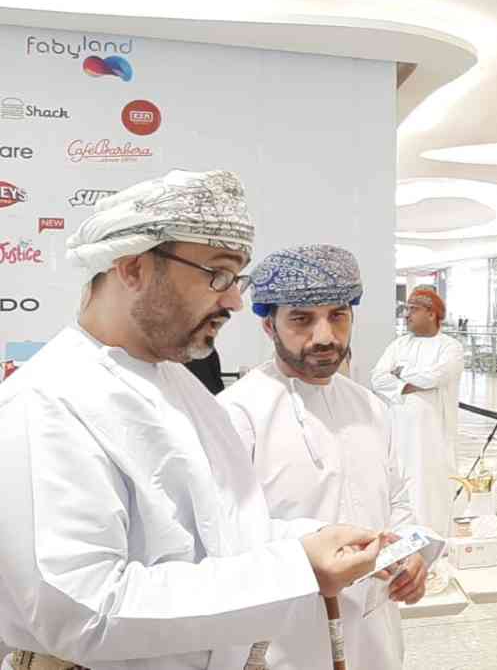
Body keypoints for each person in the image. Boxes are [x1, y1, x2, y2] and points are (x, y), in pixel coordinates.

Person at [0, 170, 384, 670]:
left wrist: (309, 541)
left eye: (236, 279)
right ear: (133, 268)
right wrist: (295, 568)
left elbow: (221, 533)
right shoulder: (48, 400)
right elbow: (81, 611)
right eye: (218, 274)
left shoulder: (176, 382)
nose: (234, 301)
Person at [218, 245, 429, 670]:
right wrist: (306, 558)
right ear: (269, 325)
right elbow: (224, 538)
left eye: (337, 315)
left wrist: (411, 554)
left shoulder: (369, 406)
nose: (325, 336)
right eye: (301, 319)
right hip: (284, 640)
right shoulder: (237, 414)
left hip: (376, 637)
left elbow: (397, 502)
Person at [373, 288, 464, 535]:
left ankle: (436, 540)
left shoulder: (451, 347)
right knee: (402, 486)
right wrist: (409, 385)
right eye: (407, 309)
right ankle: (403, 538)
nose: (406, 315)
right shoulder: (399, 345)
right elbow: (378, 378)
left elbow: (437, 376)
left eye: (413, 309)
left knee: (431, 488)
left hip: (434, 437)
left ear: (431, 314)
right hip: (399, 433)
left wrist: (400, 374)